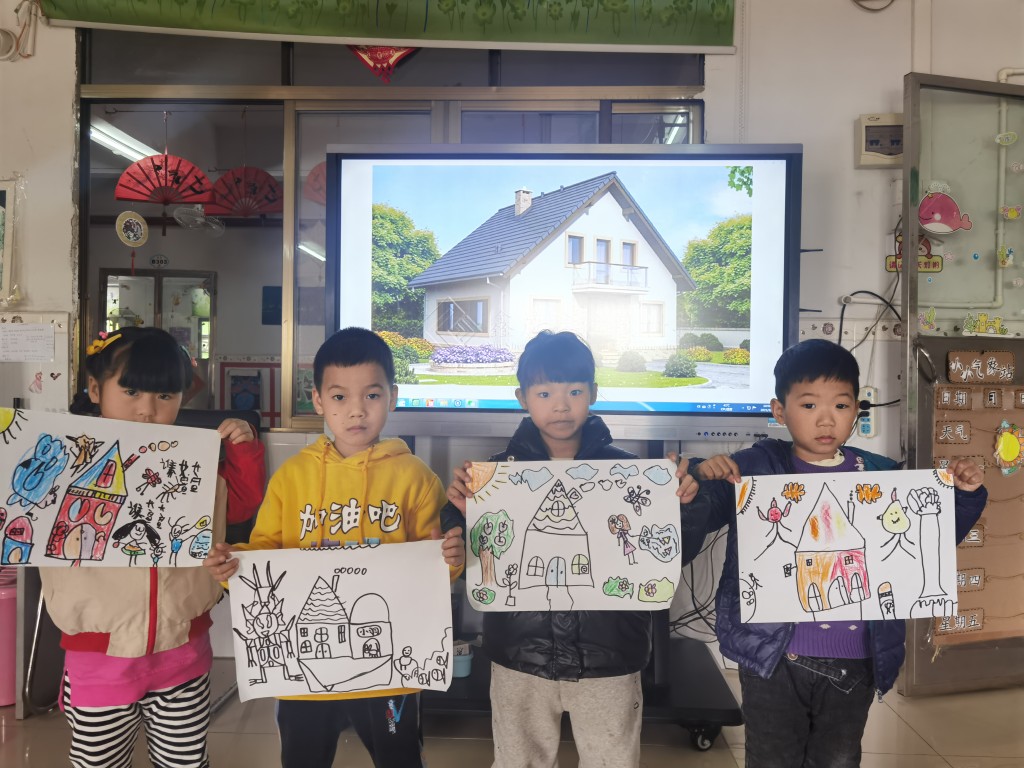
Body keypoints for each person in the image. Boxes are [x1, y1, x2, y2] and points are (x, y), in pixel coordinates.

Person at [678, 338, 986, 768]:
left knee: (838, 759)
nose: (826, 419)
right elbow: (700, 516)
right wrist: (698, 479)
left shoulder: (880, 474)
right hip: (773, 658)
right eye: (808, 405)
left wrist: (964, 496)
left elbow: (924, 541)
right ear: (779, 411)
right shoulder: (754, 468)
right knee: (771, 759)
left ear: (856, 410)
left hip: (856, 660)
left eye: (841, 405)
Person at [203, 326, 466, 768]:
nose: (356, 410)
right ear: (319, 400)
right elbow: (263, 552)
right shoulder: (292, 477)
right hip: (304, 671)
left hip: (389, 671)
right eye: (340, 396)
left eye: (372, 395)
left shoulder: (416, 477)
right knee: (303, 756)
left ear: (392, 396)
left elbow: (435, 561)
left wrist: (452, 561)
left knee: (399, 756)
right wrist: (234, 569)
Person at [443, 330, 700, 768]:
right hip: (520, 656)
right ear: (523, 398)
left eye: (574, 392)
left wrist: (681, 506)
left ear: (593, 394)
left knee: (611, 759)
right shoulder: (493, 477)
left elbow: (670, 552)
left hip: (610, 656)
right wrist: (457, 527)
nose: (561, 406)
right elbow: (472, 547)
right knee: (519, 760)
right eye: (545, 393)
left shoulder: (633, 474)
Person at [40, 326, 266, 768]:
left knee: (184, 760)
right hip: (98, 654)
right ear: (95, 389)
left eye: (165, 395)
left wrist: (243, 450)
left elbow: (239, 504)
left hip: (181, 647)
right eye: (131, 392)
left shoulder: (192, 461)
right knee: (98, 760)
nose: (147, 409)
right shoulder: (65, 459)